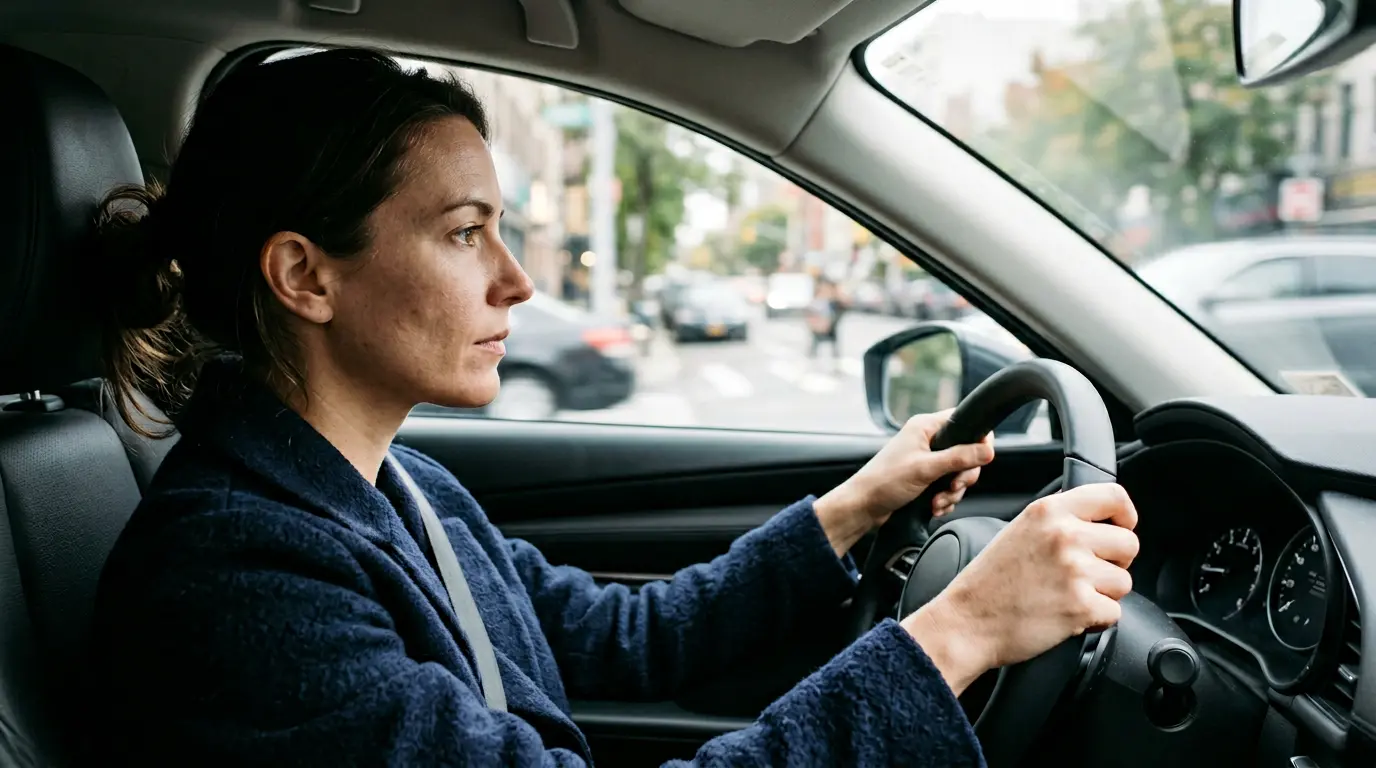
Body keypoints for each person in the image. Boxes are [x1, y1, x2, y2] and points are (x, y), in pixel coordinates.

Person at [85, 48, 1140, 766]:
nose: (516, 280)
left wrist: (854, 506)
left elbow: (621, 638)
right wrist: (954, 636)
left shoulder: (397, 483)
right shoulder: (240, 580)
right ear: (304, 277)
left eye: (501, 228)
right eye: (462, 233)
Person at [806, 278, 845, 363]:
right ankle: (813, 356)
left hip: (828, 327)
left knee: (831, 345)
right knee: (817, 343)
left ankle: (833, 358)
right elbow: (811, 315)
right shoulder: (816, 302)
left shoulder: (833, 303)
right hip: (820, 327)